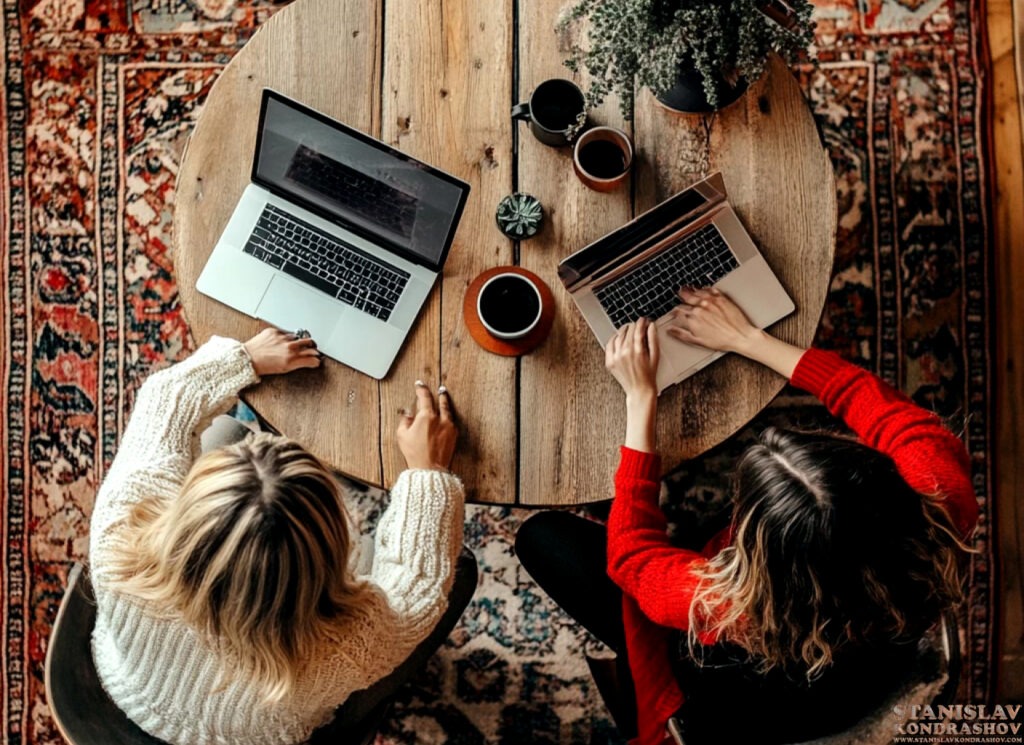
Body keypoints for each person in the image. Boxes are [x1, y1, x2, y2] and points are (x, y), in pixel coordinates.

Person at [516, 287, 979, 745]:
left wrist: (641, 399)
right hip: (870, 672)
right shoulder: (942, 498)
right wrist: (747, 338)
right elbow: (859, 394)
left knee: (539, 537)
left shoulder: (729, 606)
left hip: (742, 702)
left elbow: (632, 558)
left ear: (761, 551)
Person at [88, 329, 475, 745]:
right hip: (257, 733)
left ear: (189, 510)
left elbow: (164, 400)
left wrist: (245, 359)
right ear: (327, 550)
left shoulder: (118, 533)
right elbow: (418, 587)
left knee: (223, 431)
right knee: (462, 570)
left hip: (134, 684)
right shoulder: (340, 650)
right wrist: (428, 472)